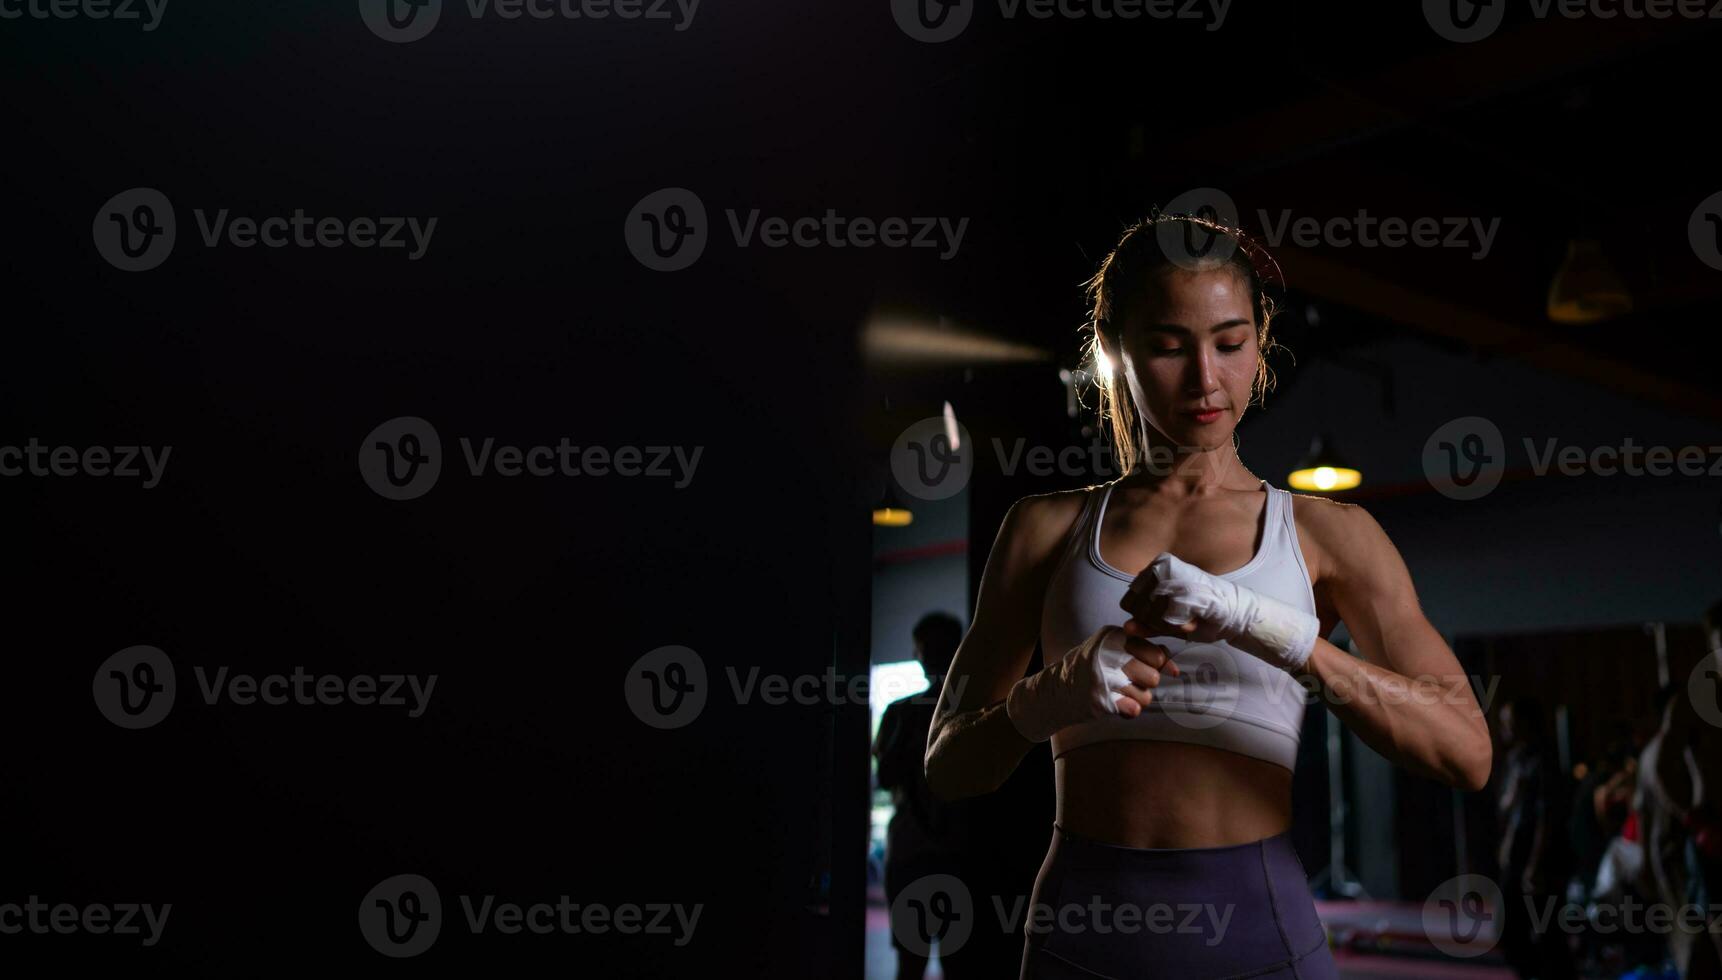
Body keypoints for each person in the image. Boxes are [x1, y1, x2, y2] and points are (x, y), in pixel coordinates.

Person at [923, 212, 1493, 979]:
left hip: (1263, 935)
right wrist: (1044, 700)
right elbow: (949, 766)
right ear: (1115, 350)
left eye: (1230, 343)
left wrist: (1272, 629)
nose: (1204, 379)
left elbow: (1467, 752)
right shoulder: (1045, 529)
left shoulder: (1327, 533)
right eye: (1167, 345)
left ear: (1260, 343)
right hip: (1080, 938)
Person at [874, 612, 973, 980]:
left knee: (920, 961)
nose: (929, 657)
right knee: (952, 959)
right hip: (950, 853)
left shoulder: (900, 713)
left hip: (919, 851)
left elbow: (885, 777)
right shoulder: (970, 709)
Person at [1495, 696, 1576, 979]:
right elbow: (1507, 807)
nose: (1506, 729)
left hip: (1540, 856)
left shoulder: (1543, 761)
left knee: (1548, 930)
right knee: (1509, 927)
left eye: (1511, 722)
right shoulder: (1515, 761)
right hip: (1516, 853)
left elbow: (1546, 815)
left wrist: (1536, 862)